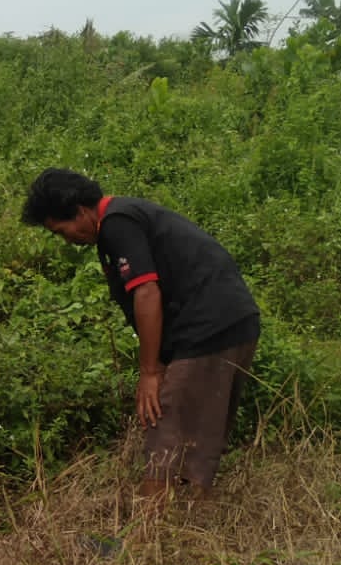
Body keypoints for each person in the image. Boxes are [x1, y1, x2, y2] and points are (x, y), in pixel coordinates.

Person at [21, 168, 260, 507]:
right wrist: (160, 360)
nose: (68, 240)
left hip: (207, 329)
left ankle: (148, 531)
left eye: (62, 231)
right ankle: (190, 523)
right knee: (199, 433)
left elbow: (146, 291)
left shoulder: (117, 223)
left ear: (80, 211)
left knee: (164, 426)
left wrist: (149, 371)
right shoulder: (127, 216)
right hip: (234, 323)